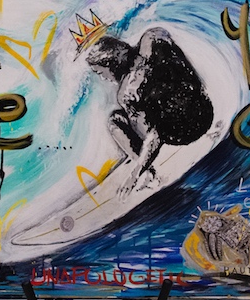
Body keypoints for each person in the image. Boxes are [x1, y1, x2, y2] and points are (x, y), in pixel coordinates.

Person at [85, 27, 213, 200]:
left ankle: (148, 173)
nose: (103, 78)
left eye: (100, 73)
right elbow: (186, 71)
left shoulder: (127, 92)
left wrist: (135, 175)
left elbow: (154, 136)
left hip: (184, 133)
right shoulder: (153, 37)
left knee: (115, 121)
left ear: (110, 64)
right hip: (204, 112)